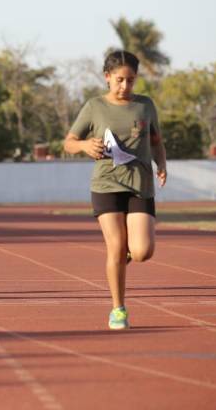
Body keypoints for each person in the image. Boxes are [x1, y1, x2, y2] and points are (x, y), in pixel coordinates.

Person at [63, 51, 167, 330]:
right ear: (107, 77)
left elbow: (156, 141)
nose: (125, 86)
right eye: (119, 80)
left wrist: (162, 164)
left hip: (140, 185)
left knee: (143, 251)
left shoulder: (145, 106)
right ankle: (118, 309)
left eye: (130, 80)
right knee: (117, 247)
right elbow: (69, 142)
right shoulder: (94, 107)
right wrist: (85, 146)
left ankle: (124, 258)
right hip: (106, 185)